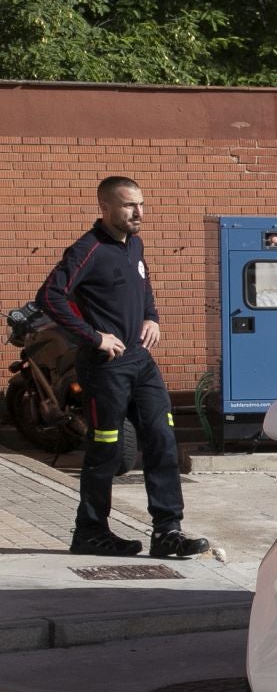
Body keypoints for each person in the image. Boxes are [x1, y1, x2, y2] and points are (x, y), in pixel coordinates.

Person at [38, 176, 209, 558]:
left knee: (162, 440)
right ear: (106, 207)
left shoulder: (134, 245)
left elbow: (144, 285)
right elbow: (49, 296)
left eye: (141, 204)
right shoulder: (89, 249)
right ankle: (90, 532)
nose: (139, 212)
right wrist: (93, 336)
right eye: (130, 205)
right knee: (107, 451)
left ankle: (167, 533)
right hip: (105, 366)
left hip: (141, 361)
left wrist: (152, 317)